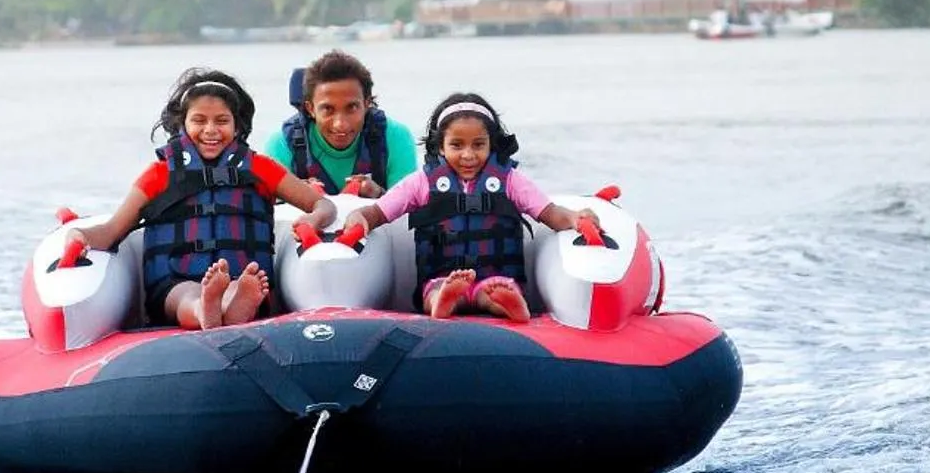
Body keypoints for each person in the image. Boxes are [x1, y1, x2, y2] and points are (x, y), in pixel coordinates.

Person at [67, 68, 334, 330]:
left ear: (237, 125)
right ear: (182, 124)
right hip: (174, 285)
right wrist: (81, 236)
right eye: (199, 120)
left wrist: (314, 218)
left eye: (221, 121)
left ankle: (233, 302)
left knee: (235, 285)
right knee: (187, 295)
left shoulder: (260, 168)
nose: (210, 130)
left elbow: (323, 205)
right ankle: (206, 308)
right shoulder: (158, 175)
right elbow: (113, 230)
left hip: (242, 279)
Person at [338, 91, 598, 323]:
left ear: (491, 144)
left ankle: (509, 305)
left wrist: (576, 218)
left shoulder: (510, 181)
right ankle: (444, 303)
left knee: (495, 290)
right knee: (436, 291)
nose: (468, 155)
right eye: (456, 145)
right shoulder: (421, 183)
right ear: (440, 146)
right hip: (441, 278)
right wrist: (359, 218)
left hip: (496, 277)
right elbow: (379, 212)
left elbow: (552, 214)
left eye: (478, 145)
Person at [260, 49, 421, 199]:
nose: (340, 124)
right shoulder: (281, 145)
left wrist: (379, 194)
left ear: (367, 104)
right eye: (328, 109)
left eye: (352, 107)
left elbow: (408, 213)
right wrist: (297, 195)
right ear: (310, 109)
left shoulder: (395, 138)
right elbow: (266, 213)